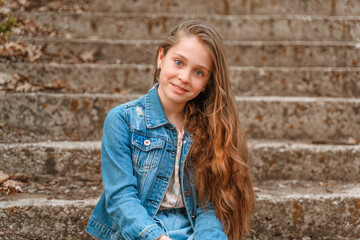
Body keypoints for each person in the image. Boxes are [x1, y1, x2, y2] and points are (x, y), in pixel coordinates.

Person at [86, 20, 255, 240]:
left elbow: (208, 205)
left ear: (207, 83)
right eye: (178, 62)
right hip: (138, 232)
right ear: (160, 58)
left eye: (198, 72)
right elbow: (121, 198)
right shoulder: (122, 120)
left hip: (192, 231)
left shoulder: (209, 127)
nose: (184, 77)